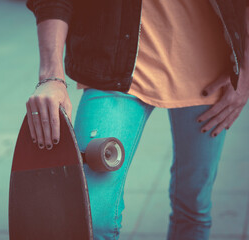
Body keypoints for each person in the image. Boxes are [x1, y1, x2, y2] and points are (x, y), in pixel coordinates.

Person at [24, 0, 249, 239]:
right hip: (113, 61)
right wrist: (50, 76)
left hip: (209, 70)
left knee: (194, 207)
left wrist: (246, 72)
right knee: (90, 217)